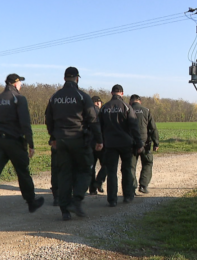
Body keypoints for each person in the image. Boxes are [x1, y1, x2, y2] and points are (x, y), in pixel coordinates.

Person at [0, 73, 44, 220]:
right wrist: (31, 143)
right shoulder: (19, 99)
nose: (21, 85)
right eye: (20, 82)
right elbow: (25, 122)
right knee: (22, 172)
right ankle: (31, 202)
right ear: (15, 84)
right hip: (14, 141)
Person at [45, 67, 103, 221]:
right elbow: (93, 119)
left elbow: (48, 119)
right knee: (85, 169)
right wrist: (99, 140)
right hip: (79, 139)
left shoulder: (55, 97)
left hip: (61, 140)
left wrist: (53, 137)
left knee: (64, 173)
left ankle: (65, 210)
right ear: (77, 78)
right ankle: (76, 200)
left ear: (64, 78)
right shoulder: (83, 96)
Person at [98, 84, 143, 207]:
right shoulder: (127, 107)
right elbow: (134, 127)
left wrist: (100, 141)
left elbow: (99, 127)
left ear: (111, 93)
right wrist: (139, 143)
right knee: (126, 170)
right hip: (126, 143)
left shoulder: (104, 108)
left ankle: (112, 199)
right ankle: (127, 196)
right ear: (122, 94)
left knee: (111, 172)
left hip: (110, 144)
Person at [129, 94, 159, 194]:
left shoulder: (127, 110)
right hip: (145, 144)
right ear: (140, 101)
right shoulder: (146, 110)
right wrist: (156, 143)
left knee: (131, 166)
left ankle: (132, 188)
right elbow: (153, 128)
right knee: (147, 163)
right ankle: (143, 185)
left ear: (131, 101)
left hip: (131, 144)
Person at [89, 96, 106, 195]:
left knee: (92, 166)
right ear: (98, 103)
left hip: (90, 143)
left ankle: (92, 189)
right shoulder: (101, 112)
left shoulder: (86, 112)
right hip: (101, 143)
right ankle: (98, 182)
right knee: (106, 165)